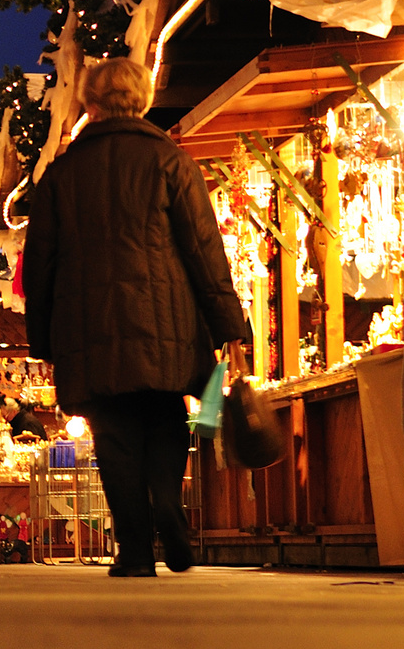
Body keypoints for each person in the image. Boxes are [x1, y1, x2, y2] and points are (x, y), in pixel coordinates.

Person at [22, 58, 249, 578]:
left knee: (115, 437)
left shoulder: (62, 174)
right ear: (143, 100)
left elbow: (40, 266)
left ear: (89, 103)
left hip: (90, 328)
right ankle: (168, 504)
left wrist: (45, 339)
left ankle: (135, 550)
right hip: (167, 323)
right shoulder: (172, 161)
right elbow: (203, 250)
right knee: (166, 421)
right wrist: (229, 324)